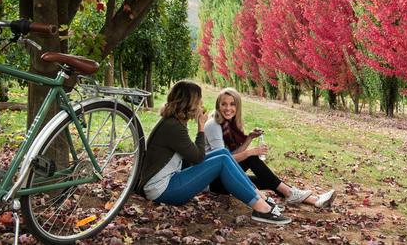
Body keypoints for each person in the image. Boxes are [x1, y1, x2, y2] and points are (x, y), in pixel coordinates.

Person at [137, 81, 291, 225]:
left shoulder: (173, 122)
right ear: (188, 103)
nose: (201, 105)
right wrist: (201, 127)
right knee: (222, 160)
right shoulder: (173, 127)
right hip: (162, 190)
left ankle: (261, 198)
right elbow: (197, 157)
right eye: (198, 101)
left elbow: (191, 156)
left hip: (168, 181)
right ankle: (261, 209)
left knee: (223, 153)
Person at [204, 87, 336, 208]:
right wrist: (251, 152)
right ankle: (292, 194)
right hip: (213, 181)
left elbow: (231, 157)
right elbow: (221, 161)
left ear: (238, 106)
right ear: (218, 105)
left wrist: (249, 138)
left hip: (224, 177)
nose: (228, 108)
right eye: (224, 104)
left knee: (269, 181)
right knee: (253, 158)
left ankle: (315, 200)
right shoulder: (213, 125)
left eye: (232, 104)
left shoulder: (230, 124)